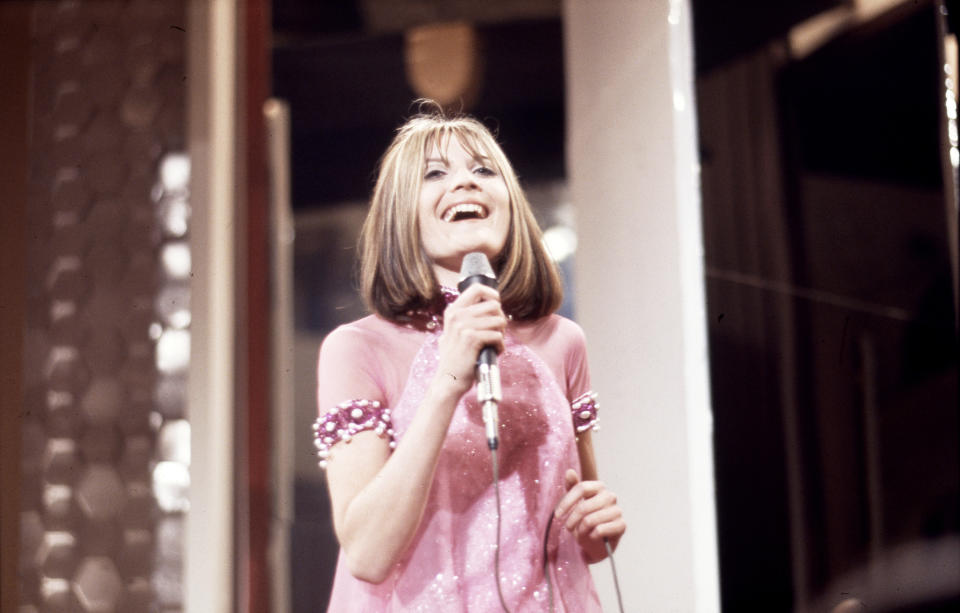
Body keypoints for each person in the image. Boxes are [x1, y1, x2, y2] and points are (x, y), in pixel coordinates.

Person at [314, 102, 626, 612]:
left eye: (483, 170)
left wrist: (598, 527)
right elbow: (367, 554)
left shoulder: (563, 341)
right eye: (435, 173)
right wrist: (447, 381)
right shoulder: (356, 349)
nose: (465, 183)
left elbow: (583, 526)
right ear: (401, 214)